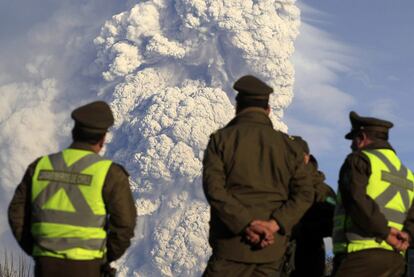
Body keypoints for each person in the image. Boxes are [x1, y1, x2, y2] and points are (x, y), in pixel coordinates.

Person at [8, 101, 137, 277]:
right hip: (88, 268)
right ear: (102, 139)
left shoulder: (39, 167)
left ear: (73, 133)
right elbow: (125, 225)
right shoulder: (110, 174)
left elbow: (16, 213)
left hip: (45, 266)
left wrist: (37, 249)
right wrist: (103, 258)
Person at [202, 75, 314, 277]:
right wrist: (274, 224)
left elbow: (214, 190)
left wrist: (246, 223)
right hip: (271, 250)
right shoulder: (290, 147)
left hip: (230, 246)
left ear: (238, 107)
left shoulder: (221, 140)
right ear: (268, 110)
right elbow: (305, 194)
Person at [332, 111, 414, 277]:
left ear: (361, 138)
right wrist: (408, 236)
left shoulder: (359, 160)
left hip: (360, 254)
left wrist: (384, 232)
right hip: (396, 260)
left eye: (353, 140)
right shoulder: (407, 174)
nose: (351, 146)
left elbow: (356, 200)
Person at [287, 137, 336, 277]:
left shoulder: (322, 190)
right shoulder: (279, 183)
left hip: (307, 259)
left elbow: (333, 223)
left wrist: (301, 229)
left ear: (306, 158)